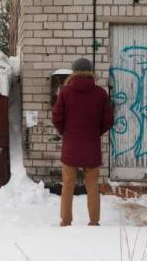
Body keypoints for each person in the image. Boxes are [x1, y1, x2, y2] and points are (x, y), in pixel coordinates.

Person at [52, 58, 114, 227]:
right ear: (91, 72)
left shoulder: (65, 92)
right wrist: (96, 132)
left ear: (74, 71)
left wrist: (65, 132)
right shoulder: (100, 93)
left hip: (71, 146)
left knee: (67, 187)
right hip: (91, 147)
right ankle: (94, 222)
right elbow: (108, 120)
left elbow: (56, 117)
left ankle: (66, 221)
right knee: (92, 187)